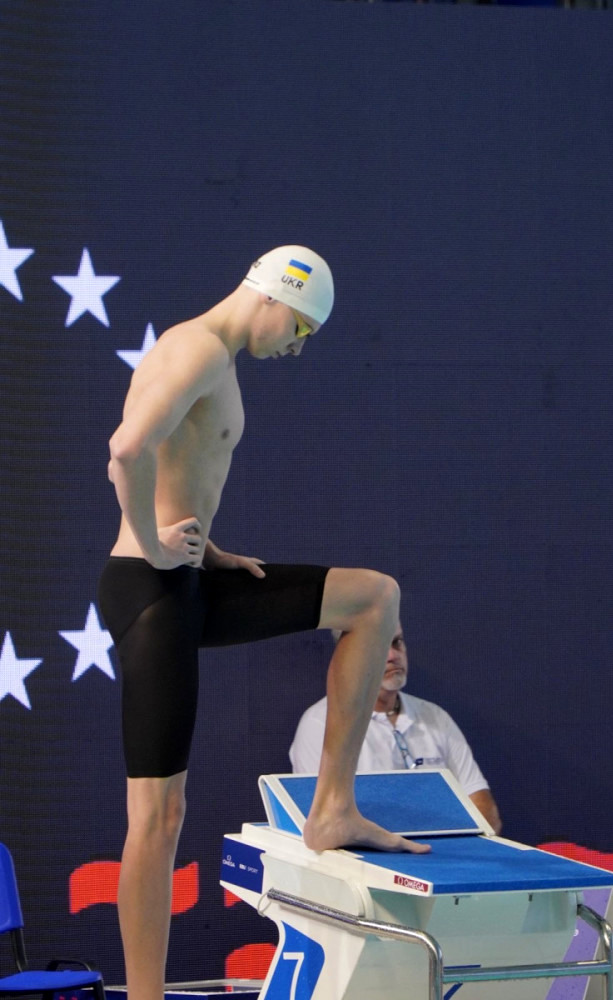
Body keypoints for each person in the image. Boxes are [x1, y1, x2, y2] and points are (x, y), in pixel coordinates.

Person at [97, 245, 429, 1000]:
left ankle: (332, 808)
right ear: (276, 296)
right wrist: (154, 544)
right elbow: (124, 450)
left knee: (373, 598)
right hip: (152, 593)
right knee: (157, 815)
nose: (296, 348)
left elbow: (172, 467)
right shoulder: (197, 350)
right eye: (301, 330)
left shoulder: (210, 356)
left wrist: (205, 548)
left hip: (187, 581)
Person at [290, 624, 502, 834]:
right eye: (378, 646)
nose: (392, 656)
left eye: (397, 642)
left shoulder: (435, 718)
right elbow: (325, 825)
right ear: (348, 657)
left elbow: (484, 812)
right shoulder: (321, 725)